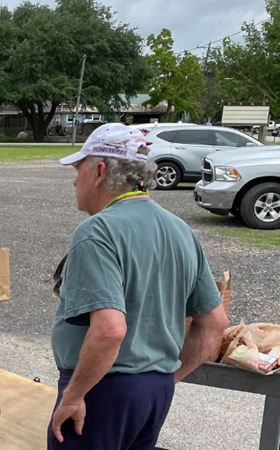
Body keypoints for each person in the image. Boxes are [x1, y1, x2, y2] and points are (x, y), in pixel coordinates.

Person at [48, 124, 229, 449]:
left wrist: (74, 395)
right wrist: (163, 379)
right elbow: (215, 322)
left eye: (79, 169)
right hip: (154, 391)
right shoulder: (180, 230)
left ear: (100, 171)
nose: (75, 181)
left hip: (102, 390)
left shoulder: (97, 231)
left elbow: (110, 330)